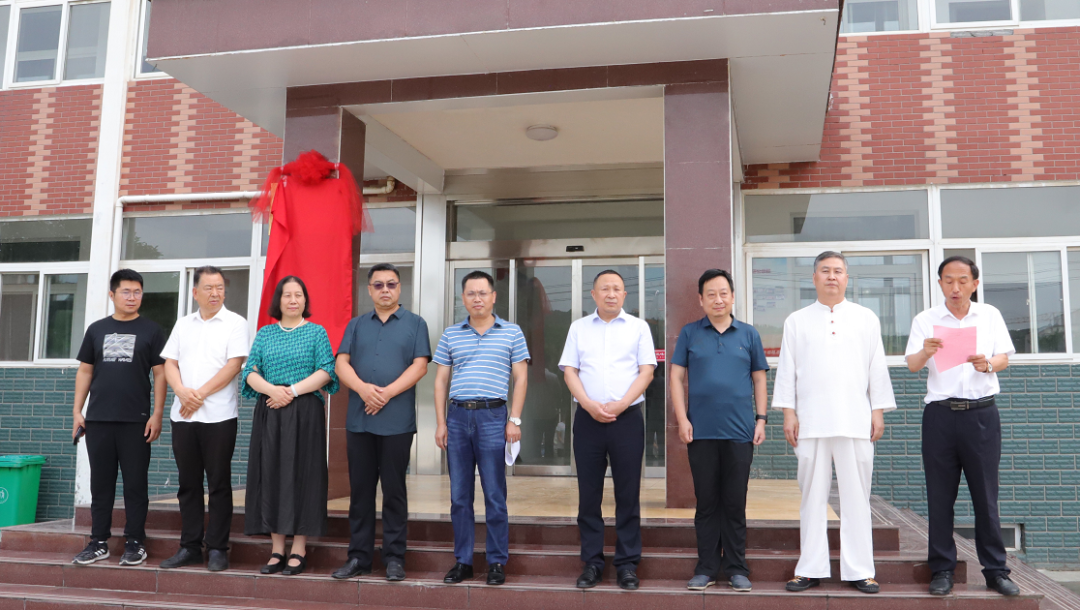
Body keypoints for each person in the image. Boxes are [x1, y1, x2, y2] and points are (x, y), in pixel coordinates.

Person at [772, 251, 895, 595]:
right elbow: (786, 370)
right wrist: (788, 412)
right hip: (810, 422)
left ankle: (860, 570)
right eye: (824, 271)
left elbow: (876, 366)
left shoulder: (865, 318)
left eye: (837, 271)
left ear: (846, 277)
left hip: (856, 419)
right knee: (812, 496)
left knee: (857, 496)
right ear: (813, 278)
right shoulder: (797, 320)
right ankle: (810, 568)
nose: (831, 276)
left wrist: (878, 409)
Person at [905, 256, 1020, 597]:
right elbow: (912, 365)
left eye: (962, 280)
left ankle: (996, 571)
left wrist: (987, 364)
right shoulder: (926, 320)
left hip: (981, 415)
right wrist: (926, 352)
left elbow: (1005, 358)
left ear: (975, 283)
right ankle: (942, 570)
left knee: (986, 497)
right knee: (940, 497)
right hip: (940, 415)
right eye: (948, 280)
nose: (955, 288)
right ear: (939, 283)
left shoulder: (989, 315)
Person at [670, 269, 768, 592]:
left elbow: (759, 379)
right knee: (707, 502)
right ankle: (707, 567)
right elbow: (676, 378)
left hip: (740, 433)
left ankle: (737, 567)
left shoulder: (749, 334)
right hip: (700, 433)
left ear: (733, 296)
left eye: (723, 292)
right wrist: (682, 419)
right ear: (701, 299)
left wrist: (762, 419)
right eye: (710, 294)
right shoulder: (689, 334)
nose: (718, 299)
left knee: (735, 502)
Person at [332, 263, 432, 581]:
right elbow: (341, 363)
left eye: (391, 284)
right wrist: (362, 389)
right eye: (378, 285)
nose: (385, 290)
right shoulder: (357, 324)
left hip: (397, 423)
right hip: (359, 422)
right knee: (360, 492)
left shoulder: (416, 324)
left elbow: (420, 366)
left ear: (400, 288)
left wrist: (386, 393)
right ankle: (359, 557)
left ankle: (394, 557)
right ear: (370, 290)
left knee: (394, 491)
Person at [559, 269, 656, 591]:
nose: (611, 293)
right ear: (594, 294)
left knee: (628, 494)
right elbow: (570, 371)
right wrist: (587, 404)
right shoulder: (579, 328)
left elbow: (646, 372)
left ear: (625, 295)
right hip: (588, 420)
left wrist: (621, 403)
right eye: (605, 289)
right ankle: (593, 563)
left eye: (617, 289)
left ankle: (627, 564)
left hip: (626, 419)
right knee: (589, 495)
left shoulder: (639, 327)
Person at [434, 270, 529, 586]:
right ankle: (462, 561)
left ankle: (496, 562)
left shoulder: (511, 332)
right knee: (459, 495)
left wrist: (514, 419)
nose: (477, 298)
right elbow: (441, 381)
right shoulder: (450, 334)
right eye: (471, 293)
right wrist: (440, 423)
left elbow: (522, 378)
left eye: (483, 293)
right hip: (458, 417)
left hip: (493, 417)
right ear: (463, 298)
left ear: (493, 296)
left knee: (494, 493)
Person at [241, 275, 338, 576]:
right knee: (271, 472)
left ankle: (299, 547)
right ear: (278, 300)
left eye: (298, 295)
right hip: (270, 409)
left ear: (305, 301)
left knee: (303, 473)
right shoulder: (266, 334)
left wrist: (292, 392)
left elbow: (326, 370)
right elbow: (249, 370)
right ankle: (276, 549)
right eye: (287, 295)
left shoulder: (316, 333)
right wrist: (273, 390)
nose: (293, 300)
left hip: (305, 409)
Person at [71, 269, 167, 567]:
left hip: (136, 420)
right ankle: (98, 541)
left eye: (137, 292)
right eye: (126, 291)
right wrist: (77, 410)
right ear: (112, 295)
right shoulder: (97, 329)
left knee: (135, 484)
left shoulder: (152, 330)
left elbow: (161, 373)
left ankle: (135, 542)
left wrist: (158, 413)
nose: (132, 297)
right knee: (101, 484)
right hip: (98, 419)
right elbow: (85, 370)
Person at [159, 266, 250, 572]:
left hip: (220, 417)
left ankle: (218, 548)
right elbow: (169, 363)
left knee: (219, 483)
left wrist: (197, 395)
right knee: (188, 484)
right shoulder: (183, 324)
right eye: (208, 288)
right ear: (195, 292)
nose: (215, 293)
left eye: (220, 287)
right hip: (182, 417)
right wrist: (182, 392)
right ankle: (189, 546)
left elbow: (234, 365)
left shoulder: (236, 323)